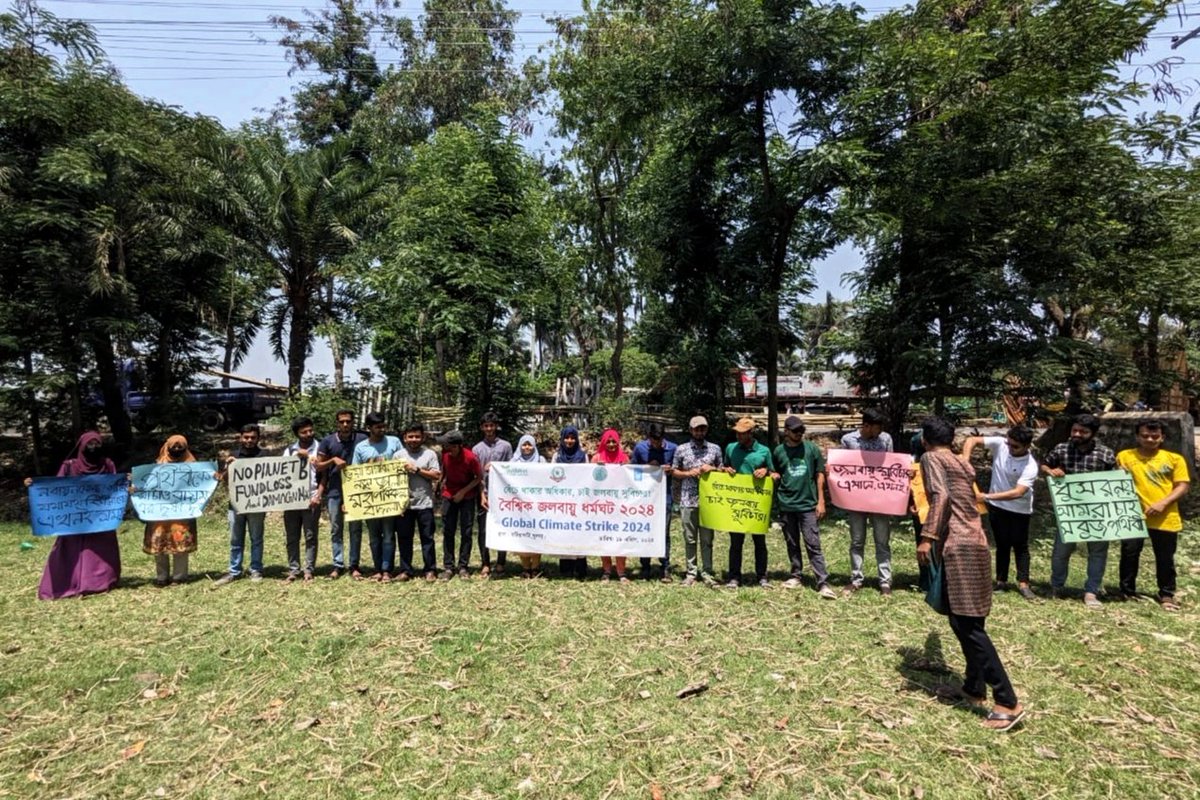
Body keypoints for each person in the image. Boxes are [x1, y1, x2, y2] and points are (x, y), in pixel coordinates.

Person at [915, 416, 1024, 732]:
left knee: (966, 624)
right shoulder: (960, 463)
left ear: (925, 439)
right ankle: (974, 687)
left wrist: (928, 536)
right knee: (968, 620)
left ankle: (1007, 701)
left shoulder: (931, 457)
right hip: (976, 541)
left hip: (957, 545)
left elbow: (940, 497)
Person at [32, 432, 122, 600]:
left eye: (97, 444)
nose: (93, 448)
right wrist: (34, 485)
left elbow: (114, 486)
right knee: (71, 550)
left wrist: (125, 483)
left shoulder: (107, 464)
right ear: (81, 446)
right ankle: (68, 582)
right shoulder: (69, 466)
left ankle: (100, 582)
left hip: (99, 519)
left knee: (100, 550)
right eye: (90, 444)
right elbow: (56, 488)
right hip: (73, 520)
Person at [1042, 413, 1116, 608]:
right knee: (1061, 551)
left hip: (1098, 511)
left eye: (1083, 431)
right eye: (1074, 430)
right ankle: (1057, 586)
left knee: (1097, 552)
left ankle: (1091, 592)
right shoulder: (1061, 449)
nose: (1077, 434)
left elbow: (1115, 482)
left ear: (1093, 433)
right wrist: (1051, 471)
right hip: (1069, 511)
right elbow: (1044, 464)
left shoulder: (1106, 454)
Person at [1116, 419, 1190, 611]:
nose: (1150, 439)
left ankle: (1166, 594)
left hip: (1165, 516)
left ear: (1162, 437)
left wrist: (1163, 503)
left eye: (1155, 436)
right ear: (1137, 437)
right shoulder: (1124, 456)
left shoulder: (1174, 459)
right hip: (1132, 515)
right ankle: (1126, 591)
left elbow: (1182, 485)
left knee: (1165, 557)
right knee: (1129, 554)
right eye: (1145, 436)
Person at [961, 427, 1039, 601]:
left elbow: (1018, 492)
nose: (1010, 448)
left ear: (1027, 446)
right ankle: (1001, 581)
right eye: (1008, 443)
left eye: (1015, 446)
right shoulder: (1000, 444)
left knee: (1020, 546)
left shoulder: (1030, 465)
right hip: (997, 507)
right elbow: (971, 440)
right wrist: (966, 460)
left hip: (1019, 509)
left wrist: (985, 497)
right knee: (1002, 544)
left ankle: (1024, 583)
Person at [773, 416, 835, 598]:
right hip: (786, 504)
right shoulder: (778, 451)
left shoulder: (811, 449)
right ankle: (796, 575)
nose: (799, 434)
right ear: (786, 432)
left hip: (807, 504)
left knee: (813, 542)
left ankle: (822, 582)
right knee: (792, 542)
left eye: (801, 431)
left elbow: (820, 474)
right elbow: (775, 471)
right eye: (795, 431)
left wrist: (821, 501)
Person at [840, 408, 895, 596]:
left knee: (882, 540)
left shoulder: (886, 439)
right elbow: (843, 467)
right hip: (856, 498)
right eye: (876, 429)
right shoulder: (848, 440)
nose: (879, 433)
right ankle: (856, 579)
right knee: (857, 540)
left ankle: (885, 582)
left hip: (880, 499)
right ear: (866, 425)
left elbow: (891, 466)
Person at [723, 417, 777, 588]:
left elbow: (775, 474)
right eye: (737, 433)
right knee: (735, 542)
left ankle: (762, 576)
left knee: (759, 542)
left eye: (743, 433)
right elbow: (724, 468)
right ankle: (734, 577)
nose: (739, 436)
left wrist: (766, 471)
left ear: (751, 433)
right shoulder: (731, 448)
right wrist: (725, 470)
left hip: (756, 504)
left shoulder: (764, 451)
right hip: (737, 503)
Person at [141, 434, 199, 587]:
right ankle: (162, 576)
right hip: (159, 513)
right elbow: (146, 485)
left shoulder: (192, 465)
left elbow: (200, 484)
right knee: (159, 542)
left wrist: (213, 477)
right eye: (174, 447)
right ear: (167, 447)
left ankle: (179, 576)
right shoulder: (157, 466)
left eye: (181, 447)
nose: (177, 449)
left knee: (180, 542)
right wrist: (136, 483)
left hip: (181, 513)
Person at [214, 424, 269, 586]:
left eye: (253, 437)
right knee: (235, 539)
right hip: (236, 505)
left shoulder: (264, 455)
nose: (249, 440)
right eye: (246, 437)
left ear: (258, 438)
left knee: (256, 538)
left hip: (257, 505)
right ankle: (234, 571)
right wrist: (227, 467)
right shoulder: (234, 455)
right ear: (240, 437)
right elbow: (223, 480)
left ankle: (256, 569)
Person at [315, 409, 367, 579]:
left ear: (353, 422)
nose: (345, 425)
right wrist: (332, 461)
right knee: (336, 528)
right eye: (342, 422)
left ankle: (354, 565)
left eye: (348, 421)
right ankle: (338, 564)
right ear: (337, 423)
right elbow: (318, 466)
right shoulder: (327, 441)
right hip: (335, 491)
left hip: (356, 491)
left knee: (355, 529)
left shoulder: (361, 439)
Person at [672, 415, 723, 587]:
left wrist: (713, 469)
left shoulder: (715, 449)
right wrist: (688, 473)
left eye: (702, 428)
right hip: (688, 500)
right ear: (690, 430)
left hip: (709, 502)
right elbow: (674, 472)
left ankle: (707, 572)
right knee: (690, 539)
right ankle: (691, 573)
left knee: (707, 540)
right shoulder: (681, 449)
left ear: (706, 430)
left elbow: (723, 473)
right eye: (696, 428)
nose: (699, 432)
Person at [352, 411, 402, 581]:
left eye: (383, 426)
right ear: (369, 428)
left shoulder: (394, 442)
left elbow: (402, 465)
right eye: (377, 427)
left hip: (389, 498)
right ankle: (377, 568)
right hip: (369, 500)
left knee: (388, 535)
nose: (381, 430)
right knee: (374, 536)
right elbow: (354, 474)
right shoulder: (361, 448)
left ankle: (387, 569)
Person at [393, 421, 441, 582]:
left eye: (417, 436)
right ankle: (406, 570)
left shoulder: (430, 455)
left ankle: (430, 570)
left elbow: (436, 475)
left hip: (424, 503)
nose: (414, 439)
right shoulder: (398, 456)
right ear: (405, 438)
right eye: (410, 436)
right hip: (404, 505)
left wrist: (418, 470)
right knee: (404, 538)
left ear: (423, 437)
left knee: (427, 538)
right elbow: (391, 479)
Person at [631, 422, 677, 583]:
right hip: (645, 499)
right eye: (653, 441)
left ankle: (665, 566)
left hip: (665, 497)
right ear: (648, 438)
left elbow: (678, 470)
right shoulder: (640, 448)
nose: (656, 444)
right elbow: (632, 472)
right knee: (645, 531)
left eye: (658, 441)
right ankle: (645, 566)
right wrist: (646, 468)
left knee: (663, 532)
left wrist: (671, 470)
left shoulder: (673, 449)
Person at [473, 411, 513, 579]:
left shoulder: (506, 446)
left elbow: (511, 469)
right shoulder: (476, 449)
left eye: (492, 425)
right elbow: (476, 476)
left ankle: (501, 562)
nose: (489, 429)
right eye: (486, 426)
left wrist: (496, 465)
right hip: (484, 494)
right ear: (482, 427)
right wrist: (482, 494)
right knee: (483, 530)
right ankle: (485, 562)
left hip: (502, 495)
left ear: (496, 426)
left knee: (502, 527)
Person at [282, 416, 322, 582]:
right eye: (304, 432)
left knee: (311, 535)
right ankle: (293, 569)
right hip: (291, 500)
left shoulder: (320, 448)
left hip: (311, 498)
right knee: (292, 536)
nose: (308, 434)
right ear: (297, 434)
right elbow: (280, 474)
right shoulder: (289, 450)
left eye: (310, 430)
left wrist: (318, 495)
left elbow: (324, 475)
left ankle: (309, 569)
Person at [439, 429, 482, 580]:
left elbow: (478, 477)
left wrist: (463, 492)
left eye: (449, 446)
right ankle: (448, 567)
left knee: (466, 532)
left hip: (467, 496)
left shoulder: (470, 458)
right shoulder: (444, 455)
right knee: (448, 531)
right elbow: (444, 473)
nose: (447, 448)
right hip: (449, 495)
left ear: (458, 445)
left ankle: (463, 566)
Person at [593, 428, 631, 583]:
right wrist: (596, 468)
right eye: (607, 441)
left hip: (620, 506)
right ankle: (606, 570)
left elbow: (630, 481)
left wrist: (624, 469)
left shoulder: (625, 458)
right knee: (605, 538)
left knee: (620, 537)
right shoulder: (596, 458)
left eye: (614, 441)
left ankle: (621, 572)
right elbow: (589, 481)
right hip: (602, 506)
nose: (611, 444)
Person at [553, 425, 589, 579]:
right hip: (562, 501)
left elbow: (588, 477)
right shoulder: (557, 456)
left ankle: (580, 568)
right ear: (562, 438)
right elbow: (551, 478)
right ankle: (566, 568)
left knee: (579, 532)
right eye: (567, 437)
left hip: (579, 501)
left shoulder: (583, 456)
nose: (569, 441)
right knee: (564, 531)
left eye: (573, 437)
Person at [511, 434, 545, 578]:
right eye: (524, 444)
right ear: (520, 446)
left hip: (537, 504)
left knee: (537, 534)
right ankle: (525, 567)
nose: (527, 447)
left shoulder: (541, 460)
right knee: (522, 534)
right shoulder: (513, 461)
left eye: (529, 444)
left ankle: (536, 567)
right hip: (519, 505)